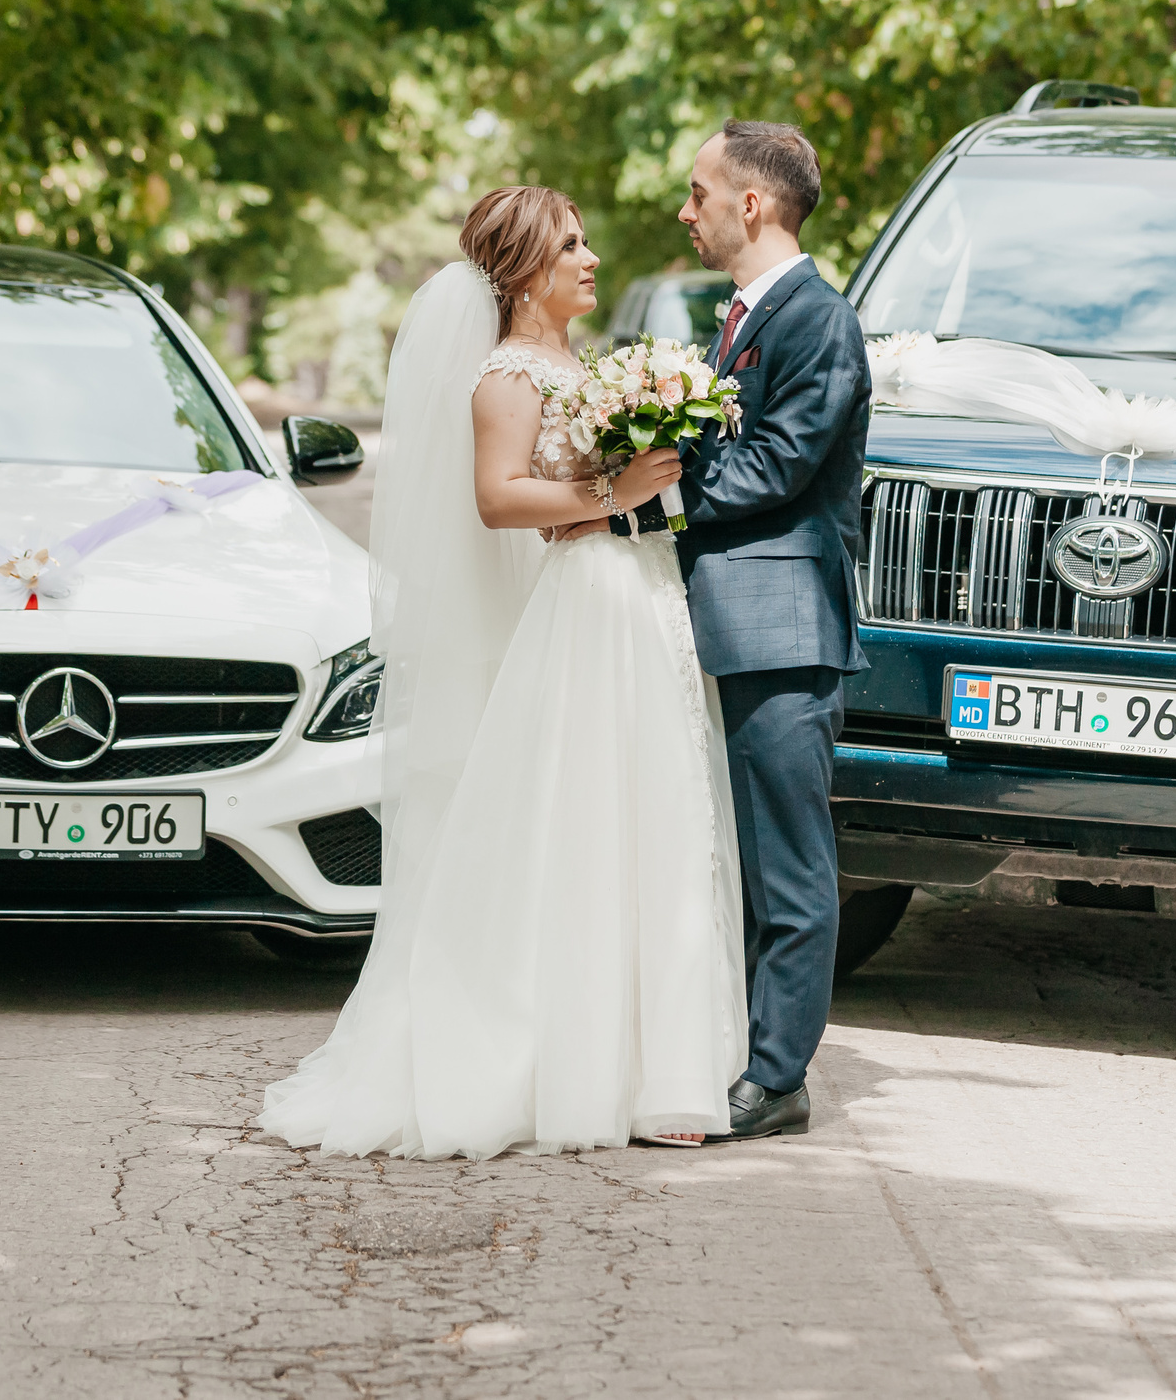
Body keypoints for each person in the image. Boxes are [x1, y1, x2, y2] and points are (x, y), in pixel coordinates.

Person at [260, 185, 746, 1159]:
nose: (590, 258)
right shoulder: (508, 374)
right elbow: (496, 498)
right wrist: (616, 490)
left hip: (633, 595)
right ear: (524, 266)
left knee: (647, 810)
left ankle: (658, 1060)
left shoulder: (580, 363)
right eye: (571, 245)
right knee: (584, 815)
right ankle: (558, 1059)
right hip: (585, 606)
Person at [673, 120, 873, 1142]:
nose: (687, 211)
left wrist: (649, 500)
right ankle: (740, 1043)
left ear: (751, 203)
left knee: (788, 861)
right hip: (730, 621)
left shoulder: (819, 322)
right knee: (737, 856)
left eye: (699, 192)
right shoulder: (746, 317)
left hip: (783, 629)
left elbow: (776, 468)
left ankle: (777, 1075)